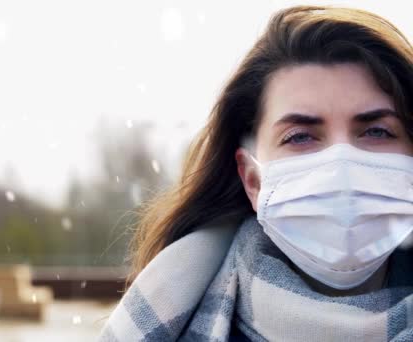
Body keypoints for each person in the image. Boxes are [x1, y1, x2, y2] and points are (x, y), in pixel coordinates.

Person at [99, 5, 413, 341]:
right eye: (300, 137)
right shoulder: (167, 317)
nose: (341, 167)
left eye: (377, 131)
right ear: (253, 180)